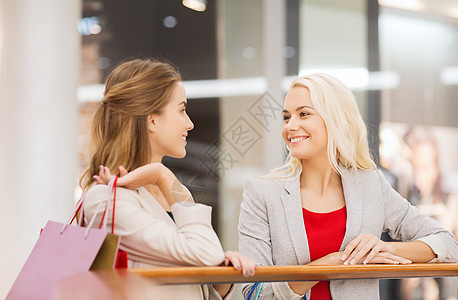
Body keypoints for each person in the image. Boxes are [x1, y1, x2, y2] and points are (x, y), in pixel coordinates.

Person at [238, 74, 458, 300]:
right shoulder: (262, 193)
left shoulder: (370, 186)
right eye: (286, 117)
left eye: (303, 114)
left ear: (335, 119)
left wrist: (387, 249)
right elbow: (254, 293)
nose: (290, 126)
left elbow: (448, 245)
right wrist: (331, 263)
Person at [80, 58, 256, 300]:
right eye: (182, 110)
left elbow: (197, 277)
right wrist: (162, 174)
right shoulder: (106, 199)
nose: (190, 123)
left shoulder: (174, 191)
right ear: (152, 120)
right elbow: (205, 252)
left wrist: (221, 276)